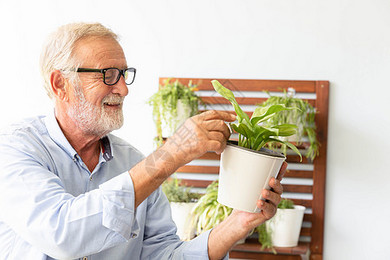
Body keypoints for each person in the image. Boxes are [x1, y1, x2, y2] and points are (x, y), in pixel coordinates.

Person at [0, 22, 286, 260]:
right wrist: (170, 155)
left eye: (124, 74)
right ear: (60, 84)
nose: (123, 88)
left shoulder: (132, 162)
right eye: (108, 75)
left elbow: (163, 254)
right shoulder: (15, 149)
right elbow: (62, 233)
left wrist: (237, 224)